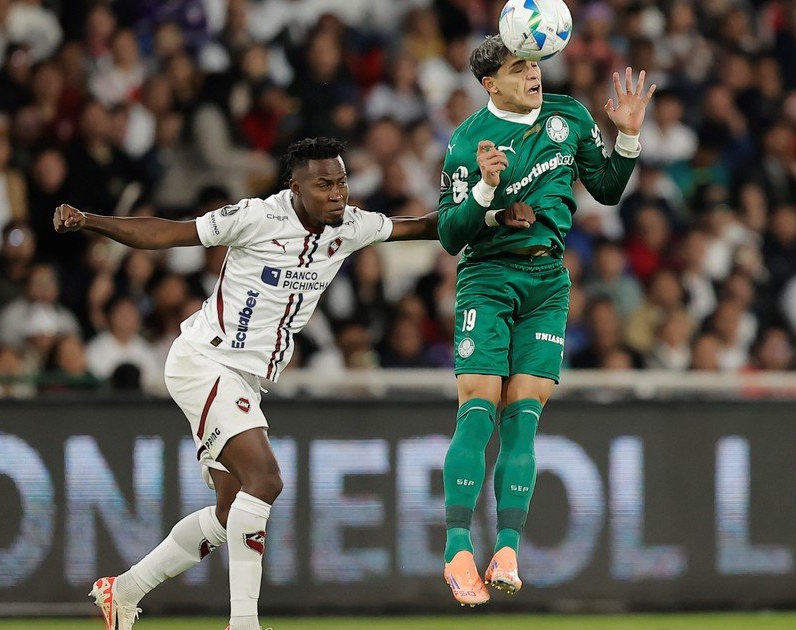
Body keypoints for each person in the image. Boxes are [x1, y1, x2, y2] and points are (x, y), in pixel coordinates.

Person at [55, 137, 527, 630]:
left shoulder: (350, 227)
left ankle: (123, 591)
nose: (337, 194)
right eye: (323, 185)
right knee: (266, 480)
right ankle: (244, 624)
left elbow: (430, 226)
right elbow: (165, 234)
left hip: (245, 377)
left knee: (227, 513)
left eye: (342, 182)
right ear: (294, 187)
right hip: (205, 360)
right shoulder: (257, 217)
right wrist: (90, 221)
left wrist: (490, 214)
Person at [435, 35, 654, 606]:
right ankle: (458, 548)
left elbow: (606, 190)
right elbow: (450, 236)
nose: (533, 75)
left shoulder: (569, 115)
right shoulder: (466, 144)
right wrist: (485, 187)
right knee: (480, 404)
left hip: (549, 281)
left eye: (534, 63)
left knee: (524, 418)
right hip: (488, 275)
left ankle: (506, 548)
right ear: (491, 84)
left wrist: (627, 135)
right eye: (518, 67)